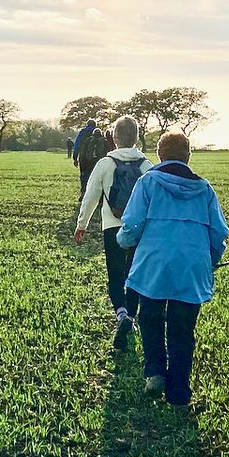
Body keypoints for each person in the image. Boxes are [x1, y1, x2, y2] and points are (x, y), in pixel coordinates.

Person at [116, 131, 229, 407]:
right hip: (191, 268)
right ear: (188, 155)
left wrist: (124, 242)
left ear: (160, 155)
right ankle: (179, 391)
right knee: (182, 329)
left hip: (153, 263)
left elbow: (131, 225)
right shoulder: (205, 189)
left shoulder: (148, 183)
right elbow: (219, 233)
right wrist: (211, 259)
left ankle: (154, 372)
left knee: (150, 317)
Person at [74, 116, 152, 352]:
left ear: (114, 138)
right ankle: (132, 315)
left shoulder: (105, 164)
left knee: (116, 273)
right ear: (136, 138)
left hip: (112, 226)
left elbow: (90, 197)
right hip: (139, 229)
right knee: (135, 275)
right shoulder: (147, 165)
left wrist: (82, 225)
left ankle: (121, 315)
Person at [72, 119, 103, 195]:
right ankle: (94, 193)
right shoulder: (99, 132)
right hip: (96, 158)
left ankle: (83, 192)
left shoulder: (82, 132)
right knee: (95, 175)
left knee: (83, 175)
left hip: (83, 157)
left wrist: (75, 157)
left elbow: (77, 144)